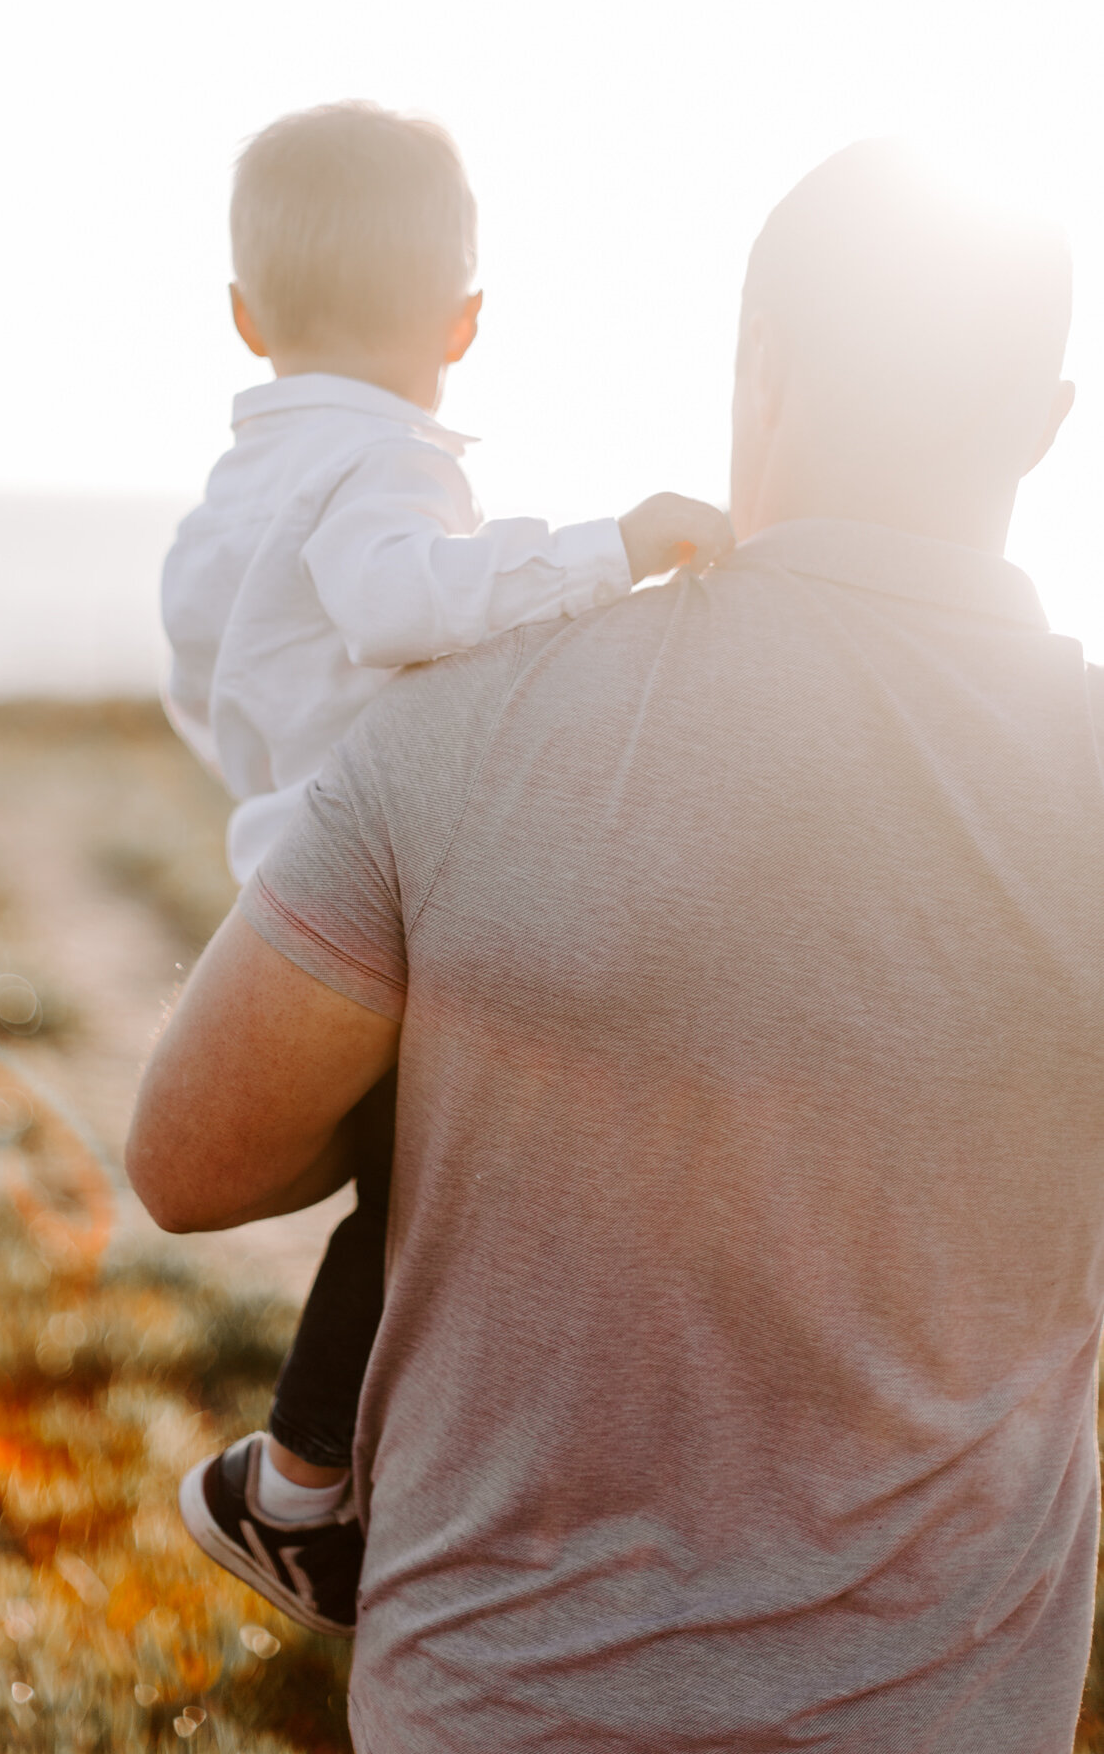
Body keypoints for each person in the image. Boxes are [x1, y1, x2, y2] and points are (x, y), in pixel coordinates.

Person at [128, 139, 1104, 1753]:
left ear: (759, 365)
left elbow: (189, 1159)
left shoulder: (461, 721)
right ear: (1045, 424)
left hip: (493, 1709)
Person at [159, 100, 730, 1632]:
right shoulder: (384, 468)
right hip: (391, 896)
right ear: (464, 323)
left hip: (288, 888)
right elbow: (409, 606)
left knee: (417, 1204)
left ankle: (342, 1476)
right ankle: (290, 1490)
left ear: (242, 314)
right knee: (432, 1198)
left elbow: (206, 680)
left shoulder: (236, 495)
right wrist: (616, 550)